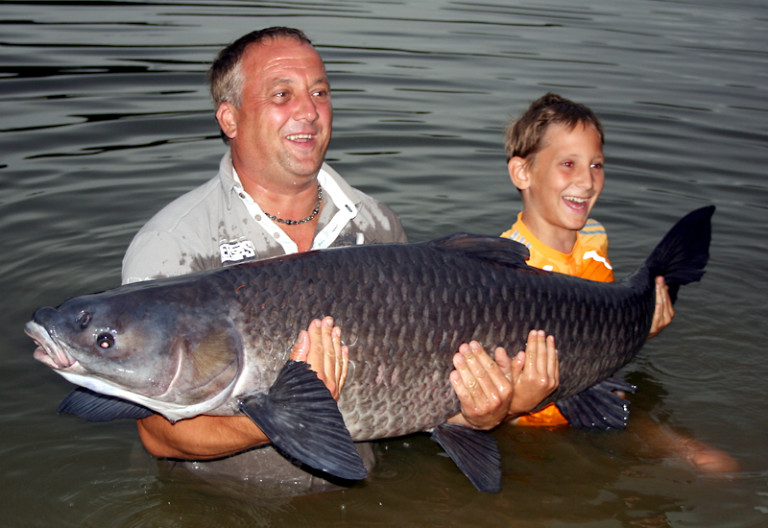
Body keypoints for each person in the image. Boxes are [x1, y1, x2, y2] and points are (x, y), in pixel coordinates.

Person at [122, 27, 558, 493]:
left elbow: (419, 386)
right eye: (282, 94)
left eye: (319, 92)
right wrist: (283, 417)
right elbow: (159, 432)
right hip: (216, 502)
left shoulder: (378, 228)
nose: (308, 111)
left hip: (359, 492)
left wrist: (490, 410)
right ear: (230, 118)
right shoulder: (174, 244)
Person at [489, 92, 737, 472]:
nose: (586, 181)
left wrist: (642, 328)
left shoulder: (593, 237)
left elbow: (593, 332)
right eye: (568, 164)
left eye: (597, 165)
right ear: (522, 173)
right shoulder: (505, 268)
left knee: (713, 464)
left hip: (595, 394)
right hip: (527, 428)